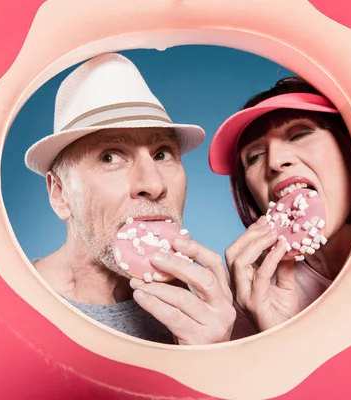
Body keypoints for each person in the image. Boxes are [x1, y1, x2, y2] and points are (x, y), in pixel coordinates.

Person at [24, 53, 236, 345]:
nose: (153, 184)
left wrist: (214, 358)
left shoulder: (209, 315)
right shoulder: (7, 302)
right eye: (110, 157)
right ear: (60, 193)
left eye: (162, 153)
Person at [208, 76, 351, 338]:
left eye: (300, 134)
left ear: (349, 147)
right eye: (254, 157)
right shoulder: (255, 295)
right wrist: (279, 335)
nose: (275, 161)